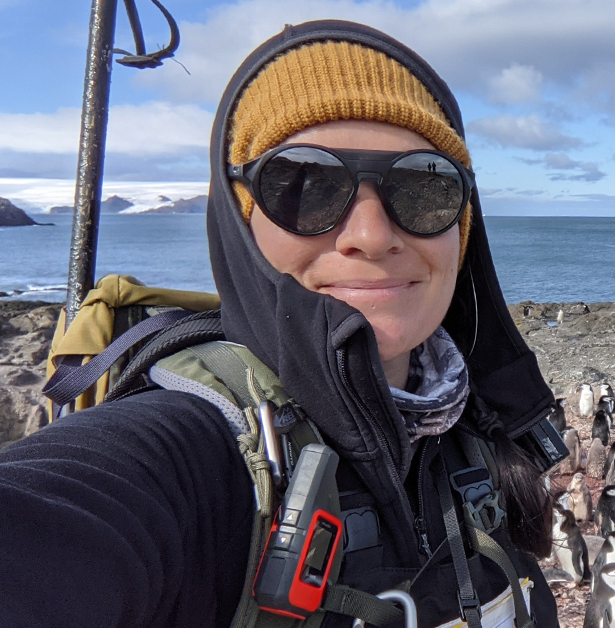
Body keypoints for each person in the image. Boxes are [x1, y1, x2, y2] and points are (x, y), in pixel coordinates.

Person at [0, 20, 559, 628]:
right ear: (240, 226)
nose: (371, 236)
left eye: (424, 188)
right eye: (305, 187)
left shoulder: (479, 432)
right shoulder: (188, 458)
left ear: (463, 224)